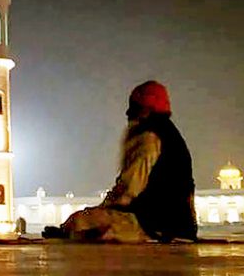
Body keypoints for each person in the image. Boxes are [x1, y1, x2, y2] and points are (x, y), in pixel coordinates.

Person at [51, 81, 197, 243]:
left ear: (146, 108)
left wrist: (104, 209)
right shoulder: (169, 135)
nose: (128, 112)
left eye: (133, 106)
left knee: (79, 222)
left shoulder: (148, 137)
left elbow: (128, 190)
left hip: (154, 224)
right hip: (180, 225)